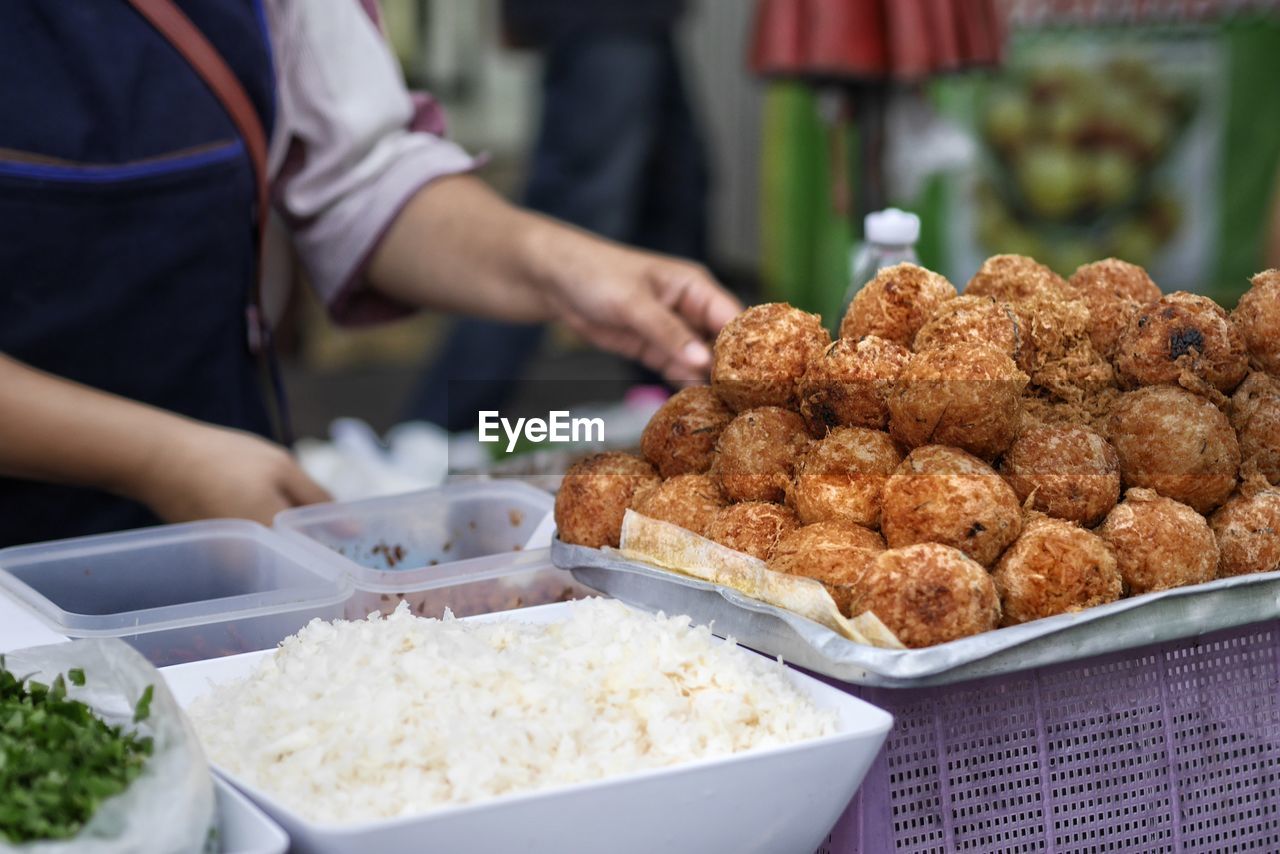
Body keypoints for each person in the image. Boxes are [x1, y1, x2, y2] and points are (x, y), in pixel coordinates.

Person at [0, 0, 739, 547]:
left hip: (233, 509)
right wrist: (155, 458)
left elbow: (358, 174)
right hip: (131, 498)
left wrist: (560, 264)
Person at [407, 0, 710, 430]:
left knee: (674, 200)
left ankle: (668, 399)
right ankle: (435, 427)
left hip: (647, 18)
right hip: (600, 15)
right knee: (569, 218)